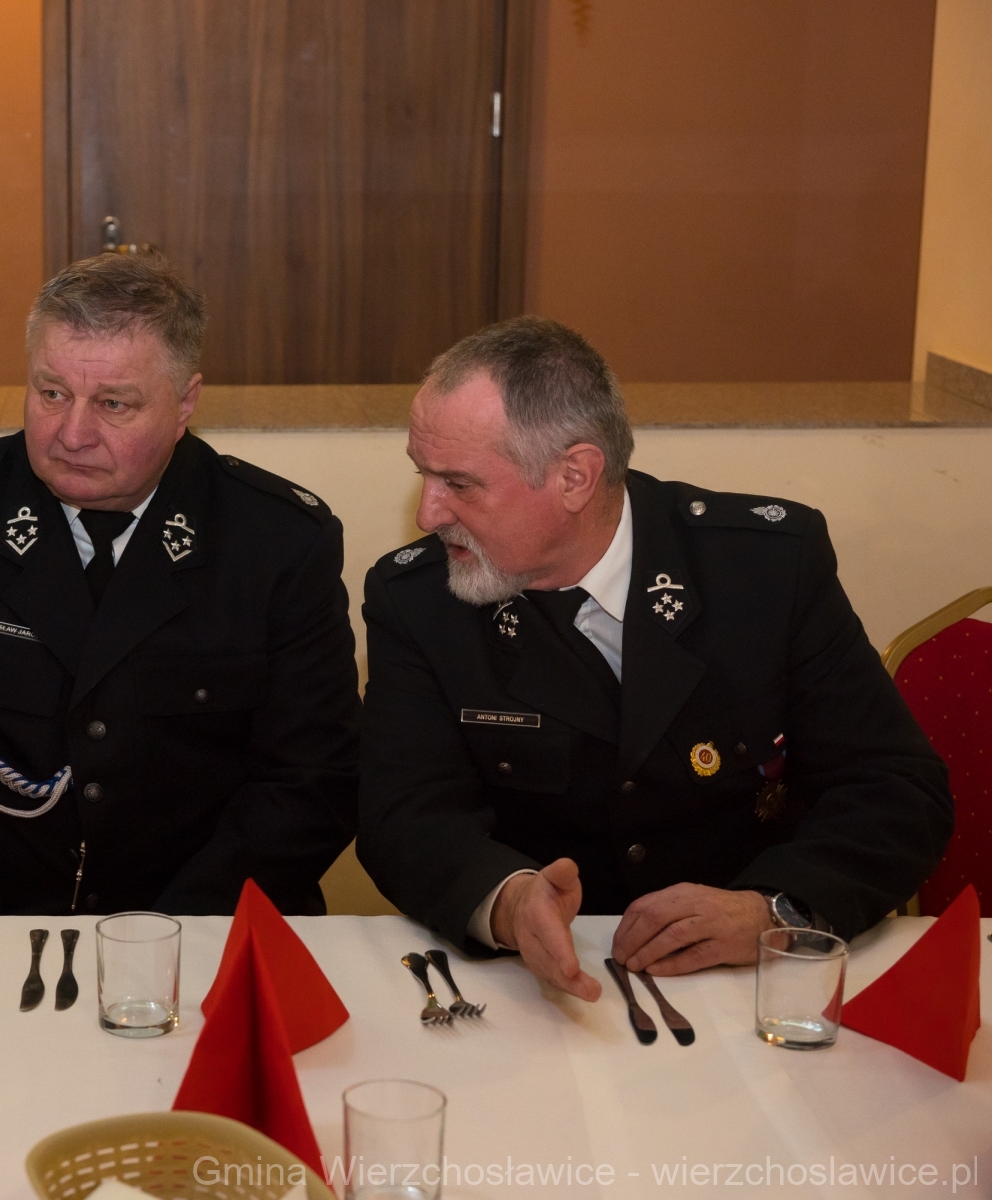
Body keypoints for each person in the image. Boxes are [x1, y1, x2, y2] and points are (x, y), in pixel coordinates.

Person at [356, 316, 950, 999]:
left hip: (753, 980)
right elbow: (404, 812)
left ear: (574, 476)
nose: (429, 513)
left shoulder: (765, 568)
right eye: (423, 475)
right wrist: (507, 901)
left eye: (459, 484)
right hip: (538, 987)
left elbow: (894, 789)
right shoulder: (418, 598)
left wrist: (773, 911)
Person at [0, 253, 359, 915]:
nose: (72, 434)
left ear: (185, 403)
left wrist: (164, 940)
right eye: (51, 394)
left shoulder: (276, 541)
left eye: (113, 404)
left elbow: (310, 781)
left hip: (200, 924)